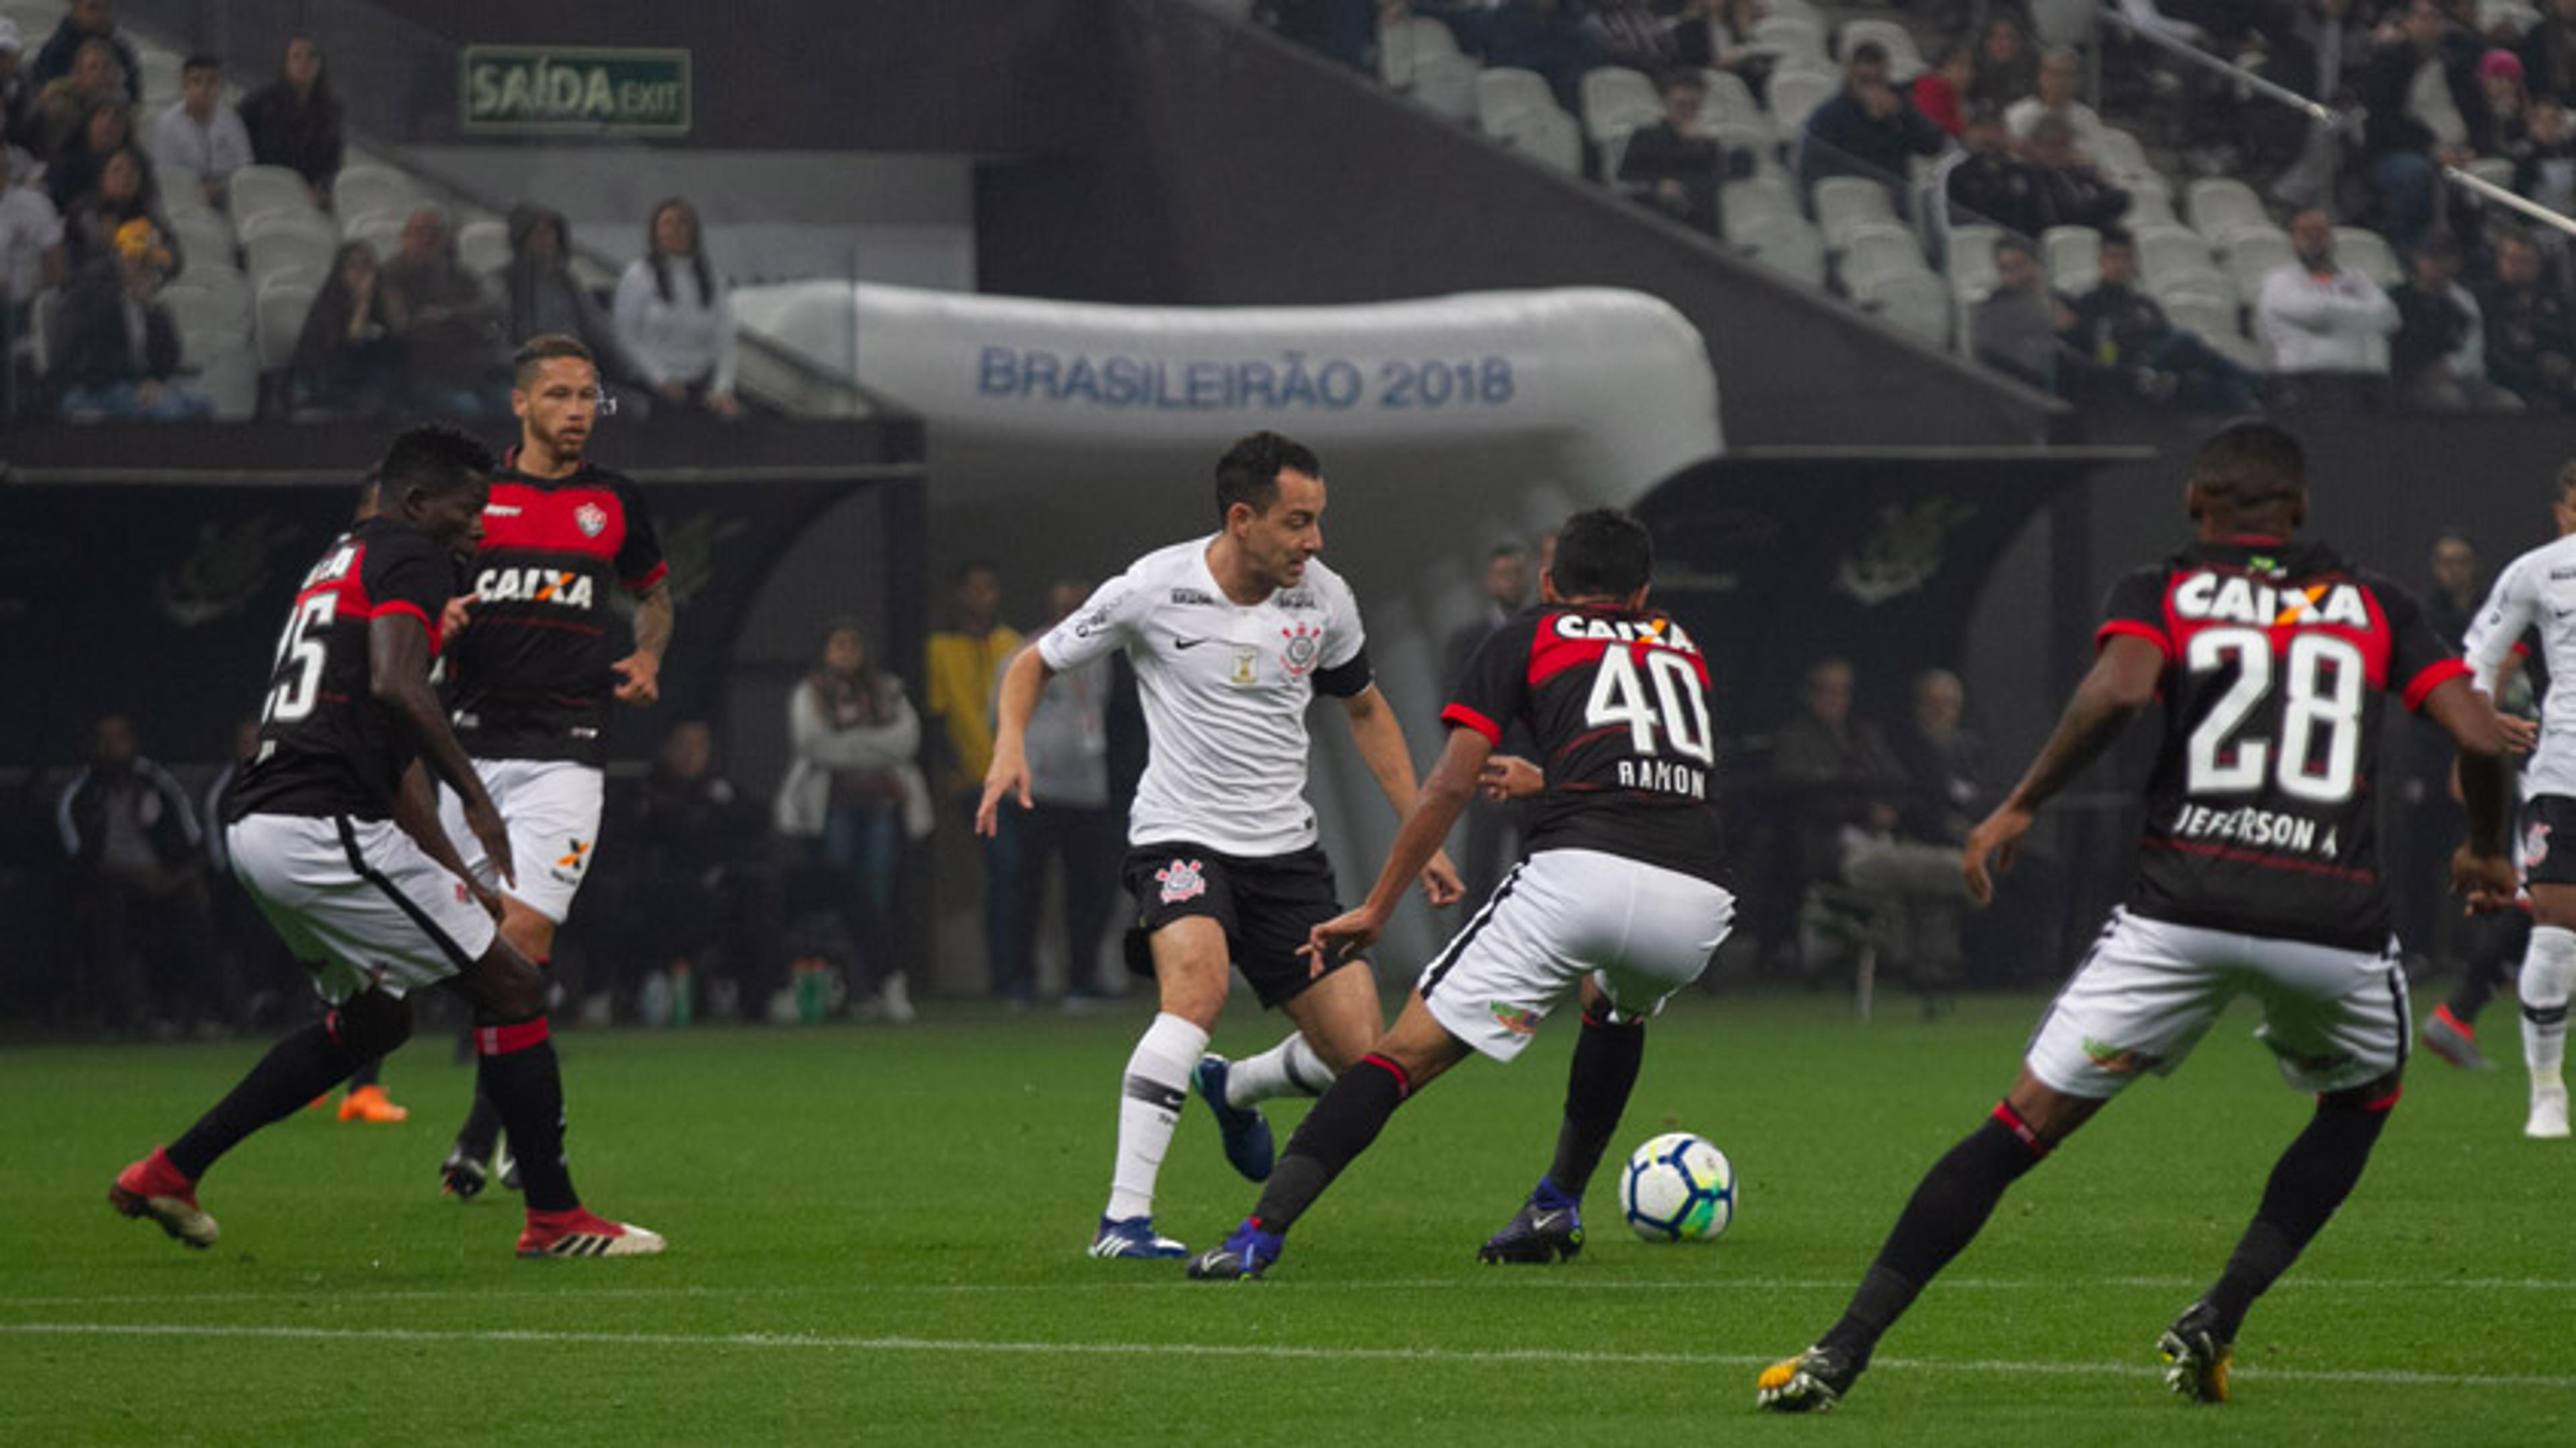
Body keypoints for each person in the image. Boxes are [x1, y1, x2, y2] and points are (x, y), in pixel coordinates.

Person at [1756, 421, 2516, 1413]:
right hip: (2329, 919)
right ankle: (2221, 1311)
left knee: (2017, 1126)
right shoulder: (2376, 603)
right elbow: (2478, 733)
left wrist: (2021, 801)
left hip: (2181, 910)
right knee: (2361, 1101)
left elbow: (2118, 690)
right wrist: (2488, 849)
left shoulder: (2164, 588)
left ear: (2198, 507)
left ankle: (1840, 1348)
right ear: (2301, 509)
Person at [109, 425, 664, 1259]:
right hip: (323, 826)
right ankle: (554, 1217)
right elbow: (398, 686)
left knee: (375, 1021)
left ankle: (170, 1172)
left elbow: (390, 747)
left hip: (264, 829)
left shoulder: (345, 556)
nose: (481, 525)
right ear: (415, 504)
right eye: (469, 510)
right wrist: (477, 801)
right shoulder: (412, 555)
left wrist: (452, 867)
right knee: (512, 984)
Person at [1184, 507, 1733, 1280]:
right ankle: (1555, 1204)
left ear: (1548, 584)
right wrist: (1558, 780)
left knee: (1402, 1057)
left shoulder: (1527, 634)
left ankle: (1257, 1234)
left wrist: (1378, 906)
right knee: (1613, 1004)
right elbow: (1656, 766)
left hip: (1579, 879)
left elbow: (1450, 782)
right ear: (1644, 594)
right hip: (1695, 901)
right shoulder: (1683, 646)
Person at [978, 431, 1463, 1259]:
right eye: (1297, 522)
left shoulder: (1324, 600)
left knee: (1364, 1059)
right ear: (1242, 519)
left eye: (1319, 521)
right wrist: (1008, 744)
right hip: (1179, 835)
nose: (1314, 541)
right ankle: (1123, 1221)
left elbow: (1366, 711)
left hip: (1286, 854)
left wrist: (1423, 828)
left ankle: (1234, 1086)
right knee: (1195, 992)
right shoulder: (1153, 587)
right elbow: (1033, 663)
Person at [431, 334, 673, 1201]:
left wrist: (648, 656)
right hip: (467, 746)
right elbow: (416, 593)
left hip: (565, 749)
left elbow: (652, 592)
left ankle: (482, 1131)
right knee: (468, 951)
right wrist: (439, 618)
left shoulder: (612, 501)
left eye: (588, 396)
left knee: (526, 939)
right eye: (562, 395)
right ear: (523, 404)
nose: (578, 411)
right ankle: (499, 1116)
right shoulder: (474, 498)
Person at [2460, 458, 2576, 1139]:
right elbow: (2477, 653)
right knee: (2556, 928)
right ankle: (2547, 1093)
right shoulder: (2538, 570)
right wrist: (2480, 711)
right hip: (2564, 768)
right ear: (2564, 508)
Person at [773, 617, 928, 1022]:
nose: (846, 653)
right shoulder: (811, 692)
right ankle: (835, 985)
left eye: (852, 644)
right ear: (825, 650)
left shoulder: (888, 690)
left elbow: (906, 740)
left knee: (875, 896)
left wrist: (850, 744)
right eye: (837, 645)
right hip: (832, 811)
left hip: (880, 809)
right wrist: (871, 747)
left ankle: (875, 985)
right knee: (833, 892)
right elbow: (813, 744)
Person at [610, 719, 783, 1026]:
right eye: (683, 745)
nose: (692, 754)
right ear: (665, 748)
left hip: (723, 892)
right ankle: (648, 987)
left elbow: (757, 824)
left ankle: (765, 996)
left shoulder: (721, 790)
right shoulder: (647, 790)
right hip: (662, 894)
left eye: (700, 746)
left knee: (758, 894)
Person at [56, 713, 219, 1034]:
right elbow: (77, 861)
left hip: (163, 882)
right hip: (112, 887)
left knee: (192, 911)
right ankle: (130, 1014)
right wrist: (130, 876)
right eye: (106, 741)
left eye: (120, 739)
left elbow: (193, 844)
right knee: (109, 916)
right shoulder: (82, 795)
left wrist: (174, 879)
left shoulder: (158, 784)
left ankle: (199, 1012)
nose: (113, 748)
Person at [1002, 580, 1123, 1008]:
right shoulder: (1026, 651)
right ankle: (1020, 981)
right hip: (1038, 788)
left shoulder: (1104, 653)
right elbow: (998, 717)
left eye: (1079, 606)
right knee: (1027, 890)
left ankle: (1081, 982)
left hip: (1088, 790)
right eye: (1064, 607)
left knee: (1089, 892)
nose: (1072, 613)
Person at [927, 561, 1026, 1002]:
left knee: (1019, 873)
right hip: (973, 779)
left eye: (989, 588)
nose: (981, 597)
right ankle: (1003, 976)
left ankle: (1016, 974)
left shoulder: (1013, 644)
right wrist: (954, 771)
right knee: (1005, 868)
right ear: (958, 594)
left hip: (1019, 777)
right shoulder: (939, 648)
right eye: (973, 588)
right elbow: (936, 715)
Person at [2062, 228, 2261, 412]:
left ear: (2134, 263)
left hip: (2159, 373)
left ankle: (2261, 417)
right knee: (2186, 340)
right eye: (2113, 257)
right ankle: (2261, 384)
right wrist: (2130, 373)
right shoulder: (2089, 304)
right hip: (2124, 376)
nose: (2120, 265)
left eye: (2126, 258)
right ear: (2101, 261)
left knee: (2220, 386)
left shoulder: (2144, 304)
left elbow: (2167, 340)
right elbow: (2094, 354)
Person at [2356, 1, 2491, 249]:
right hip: (2398, 153)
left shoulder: (2457, 63)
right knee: (2417, 174)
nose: (2431, 24)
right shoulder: (2387, 64)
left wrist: (2473, 149)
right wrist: (2431, 149)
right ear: (2407, 22)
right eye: (2424, 17)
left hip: (2458, 151)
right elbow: (2385, 121)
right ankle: (2412, 247)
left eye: (2437, 18)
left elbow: (2479, 115)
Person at [1444, 541, 1535, 909]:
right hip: (1486, 769)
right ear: (1487, 581)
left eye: (1516, 574)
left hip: (1533, 770)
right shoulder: (1466, 642)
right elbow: (1452, 706)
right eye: (1503, 575)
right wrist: (1476, 765)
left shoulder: (1542, 633)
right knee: (1480, 870)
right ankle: (1469, 953)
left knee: (1539, 869)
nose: (1511, 583)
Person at [55, 217, 207, 420]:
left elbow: (170, 358)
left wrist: (152, 312)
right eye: (141, 261)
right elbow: (86, 357)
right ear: (123, 258)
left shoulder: (146, 299)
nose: (149, 272)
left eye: (152, 265)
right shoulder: (91, 294)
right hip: (94, 388)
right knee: (170, 412)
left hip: (135, 385)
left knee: (202, 404)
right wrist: (137, 383)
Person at [2256, 207, 2400, 412]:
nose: (2314, 238)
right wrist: (2360, 316)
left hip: (2359, 382)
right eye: (2306, 233)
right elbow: (2315, 312)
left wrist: (2333, 314)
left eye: (2321, 232)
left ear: (2332, 238)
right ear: (2294, 240)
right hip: (2301, 381)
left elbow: (2388, 316)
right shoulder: (2278, 281)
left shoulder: (2357, 279)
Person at [611, 197, 739, 417]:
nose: (675, 231)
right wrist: (661, 379)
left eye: (682, 223)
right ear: (655, 233)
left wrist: (722, 390)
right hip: (651, 385)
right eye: (667, 224)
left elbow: (725, 340)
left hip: (699, 384)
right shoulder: (639, 275)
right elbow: (625, 336)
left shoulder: (713, 279)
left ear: (694, 232)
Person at [1799, 42, 1951, 215]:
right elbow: (1812, 166)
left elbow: (1934, 145)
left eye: (1878, 81)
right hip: (1847, 206)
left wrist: (1903, 114)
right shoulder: (1830, 114)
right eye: (1864, 81)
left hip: (1893, 206)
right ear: (1851, 76)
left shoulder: (1900, 107)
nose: (1872, 89)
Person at [380, 205, 506, 415]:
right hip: (424, 372)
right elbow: (404, 325)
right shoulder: (391, 275)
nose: (427, 240)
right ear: (405, 237)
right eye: (420, 233)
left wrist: (451, 315)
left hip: (471, 367)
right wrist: (448, 320)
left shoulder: (458, 274)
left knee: (510, 406)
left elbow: (489, 307)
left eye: (434, 234)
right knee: (469, 410)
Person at [500, 204, 633, 393]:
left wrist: (634, 365)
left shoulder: (566, 282)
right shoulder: (506, 285)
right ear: (523, 240)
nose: (547, 241)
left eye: (551, 234)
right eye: (539, 234)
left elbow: (599, 327)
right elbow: (502, 340)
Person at [2389, 233, 2525, 413]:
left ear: (2456, 263)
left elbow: (2474, 349)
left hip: (2461, 376)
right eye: (2431, 257)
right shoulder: (2399, 298)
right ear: (2418, 259)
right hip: (2412, 379)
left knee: (2509, 404)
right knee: (2451, 401)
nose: (2438, 265)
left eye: (2445, 259)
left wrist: (2451, 366)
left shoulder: (2462, 302)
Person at [1617, 69, 1751, 236]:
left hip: (1705, 229)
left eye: (1694, 106)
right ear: (1665, 102)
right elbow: (1625, 184)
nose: (1687, 112)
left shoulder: (1707, 143)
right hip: (1658, 225)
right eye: (1681, 105)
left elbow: (1743, 169)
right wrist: (1657, 188)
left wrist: (1712, 140)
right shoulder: (1646, 137)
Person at [287, 241, 398, 417]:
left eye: (368, 266)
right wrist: (363, 301)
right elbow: (351, 342)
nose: (362, 274)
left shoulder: (379, 305)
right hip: (322, 383)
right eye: (354, 267)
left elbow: (396, 333)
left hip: (361, 386)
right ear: (341, 272)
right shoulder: (328, 307)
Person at [236, 34, 342, 206]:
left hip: (309, 196)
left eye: (311, 57)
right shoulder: (260, 102)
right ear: (286, 63)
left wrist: (321, 188)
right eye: (297, 56)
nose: (304, 63)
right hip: (264, 187)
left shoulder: (330, 109)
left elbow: (333, 162)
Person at [2477, 230, 2576, 411]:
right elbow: (2492, 352)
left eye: (2525, 261)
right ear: (2498, 261)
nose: (2517, 267)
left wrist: (2565, 363)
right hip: (2509, 378)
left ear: (2539, 264)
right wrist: (2536, 370)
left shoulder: (2553, 299)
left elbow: (2569, 335)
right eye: (2511, 259)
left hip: (2558, 378)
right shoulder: (2485, 299)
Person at [1972, 236, 2074, 391]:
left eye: (2021, 266)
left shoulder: (2060, 299)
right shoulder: (1992, 313)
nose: (2015, 276)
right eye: (2006, 269)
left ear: (2037, 265)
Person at [150, 54, 251, 211]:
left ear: (219, 87)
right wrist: (197, 190)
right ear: (184, 86)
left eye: (211, 82)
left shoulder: (230, 120)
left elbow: (245, 166)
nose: (204, 89)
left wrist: (220, 187)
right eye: (196, 81)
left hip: (227, 196)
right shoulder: (168, 124)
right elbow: (166, 174)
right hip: (183, 197)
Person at [2004, 48, 2108, 158]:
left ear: (2077, 80)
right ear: (2042, 77)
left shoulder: (2088, 119)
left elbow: (2097, 159)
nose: (2061, 81)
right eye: (2055, 74)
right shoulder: (2017, 114)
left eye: (2068, 75)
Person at [30, 0, 138, 106]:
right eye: (92, 8)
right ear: (76, 7)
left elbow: (134, 98)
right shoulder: (56, 53)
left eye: (105, 8)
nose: (100, 15)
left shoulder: (122, 51)